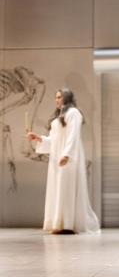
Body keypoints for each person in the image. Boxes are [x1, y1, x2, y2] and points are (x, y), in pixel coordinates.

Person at [27, 88, 100, 234]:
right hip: (57, 158)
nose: (57, 100)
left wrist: (67, 154)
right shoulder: (58, 118)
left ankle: (68, 224)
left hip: (69, 158)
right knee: (58, 188)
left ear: (66, 98)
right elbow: (54, 139)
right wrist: (40, 138)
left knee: (67, 188)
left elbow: (73, 135)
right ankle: (59, 224)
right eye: (56, 97)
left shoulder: (74, 113)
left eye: (59, 97)